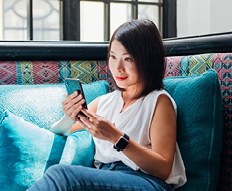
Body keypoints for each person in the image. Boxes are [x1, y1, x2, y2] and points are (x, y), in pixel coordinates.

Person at [28, 19, 186, 191]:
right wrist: (68, 119)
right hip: (103, 177)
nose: (118, 67)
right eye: (113, 56)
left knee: (62, 176)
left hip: (146, 181)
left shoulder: (158, 101)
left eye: (128, 58)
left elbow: (163, 168)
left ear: (147, 60)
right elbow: (59, 133)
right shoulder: (105, 102)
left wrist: (115, 136)